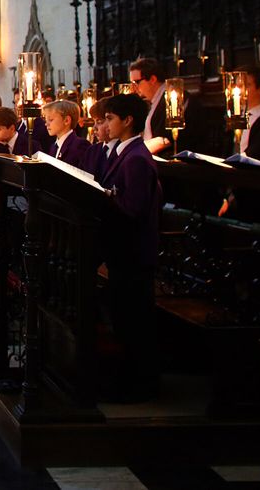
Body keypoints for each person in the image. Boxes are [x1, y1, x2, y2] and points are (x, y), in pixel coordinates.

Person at [98, 92, 163, 402]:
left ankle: (140, 385)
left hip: (133, 252)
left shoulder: (136, 158)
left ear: (128, 120)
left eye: (110, 118)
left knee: (134, 321)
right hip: (124, 252)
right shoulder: (124, 153)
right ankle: (130, 380)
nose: (105, 124)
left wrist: (103, 196)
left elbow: (132, 208)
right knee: (124, 318)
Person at [41, 99, 104, 178]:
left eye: (51, 120)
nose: (46, 124)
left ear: (67, 120)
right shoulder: (54, 146)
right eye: (45, 120)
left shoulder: (80, 145)